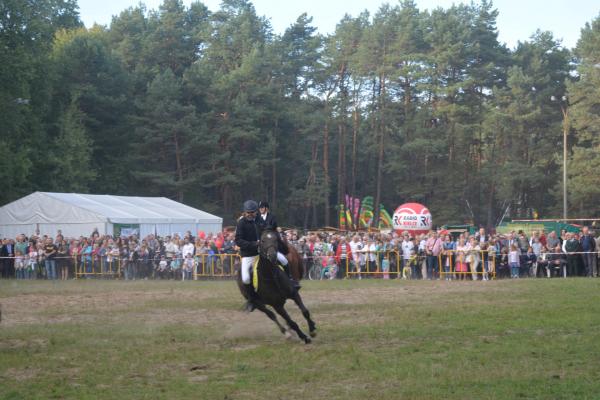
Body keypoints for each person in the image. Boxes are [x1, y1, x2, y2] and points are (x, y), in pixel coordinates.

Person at [258, 201, 297, 286]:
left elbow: (273, 226)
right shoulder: (257, 218)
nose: (260, 209)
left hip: (272, 242)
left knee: (284, 260)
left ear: (266, 208)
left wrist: (264, 228)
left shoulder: (272, 217)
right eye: (260, 207)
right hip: (262, 243)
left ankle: (289, 278)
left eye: (262, 207)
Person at [235, 200, 262, 312]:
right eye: (248, 212)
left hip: (263, 253)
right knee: (246, 278)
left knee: (281, 260)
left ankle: (290, 283)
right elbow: (238, 241)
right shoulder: (241, 223)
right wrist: (254, 244)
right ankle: (251, 300)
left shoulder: (260, 221)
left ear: (256, 212)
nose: (250, 214)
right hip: (248, 255)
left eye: (252, 212)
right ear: (244, 212)